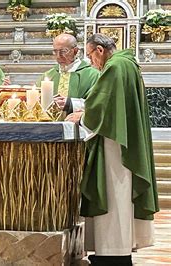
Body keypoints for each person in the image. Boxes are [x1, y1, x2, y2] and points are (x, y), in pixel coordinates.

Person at [66, 33, 159, 265]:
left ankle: (112, 254)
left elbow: (103, 104)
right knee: (120, 196)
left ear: (99, 50)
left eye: (90, 56)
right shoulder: (127, 64)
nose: (91, 62)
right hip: (120, 139)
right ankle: (115, 251)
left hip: (114, 145)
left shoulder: (115, 67)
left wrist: (81, 116)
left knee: (113, 194)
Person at [36, 33, 100, 114]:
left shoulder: (92, 75)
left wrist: (71, 104)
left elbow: (98, 104)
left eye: (63, 51)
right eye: (55, 52)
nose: (58, 56)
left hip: (78, 125)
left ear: (75, 51)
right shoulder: (48, 76)